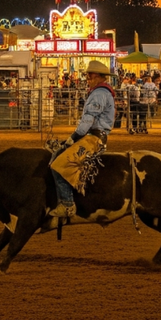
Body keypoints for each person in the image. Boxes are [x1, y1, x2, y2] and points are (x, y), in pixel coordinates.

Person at [50, 60, 115, 218]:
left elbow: (88, 119)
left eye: (90, 75)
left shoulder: (99, 94)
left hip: (93, 137)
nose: (87, 77)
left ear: (99, 76)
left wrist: (73, 137)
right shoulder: (101, 92)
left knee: (57, 164)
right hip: (94, 136)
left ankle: (67, 204)